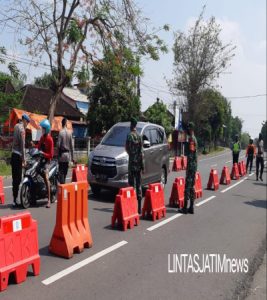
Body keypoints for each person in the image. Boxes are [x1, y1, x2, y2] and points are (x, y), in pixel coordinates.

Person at [32, 119, 54, 208]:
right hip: (41, 160)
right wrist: (33, 146)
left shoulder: (50, 139)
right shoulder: (42, 138)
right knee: (34, 173)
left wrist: (43, 154)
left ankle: (48, 200)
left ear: (47, 129)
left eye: (43, 129)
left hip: (47, 162)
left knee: (46, 177)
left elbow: (51, 154)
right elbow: (39, 146)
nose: (42, 130)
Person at [11, 113, 31, 207]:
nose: (27, 124)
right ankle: (15, 199)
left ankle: (14, 199)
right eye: (27, 122)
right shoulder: (22, 129)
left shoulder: (16, 126)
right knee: (18, 179)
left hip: (13, 154)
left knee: (14, 178)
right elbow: (22, 146)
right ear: (24, 120)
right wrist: (24, 159)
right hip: (18, 156)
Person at [125, 117, 144, 214]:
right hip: (139, 164)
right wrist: (142, 165)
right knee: (139, 185)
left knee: (131, 186)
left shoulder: (129, 136)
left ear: (131, 125)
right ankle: (139, 208)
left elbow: (126, 148)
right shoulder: (139, 136)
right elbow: (142, 151)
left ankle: (132, 206)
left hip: (132, 164)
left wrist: (132, 155)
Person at [179, 122, 198, 214]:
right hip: (194, 166)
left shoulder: (191, 139)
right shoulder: (195, 139)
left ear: (191, 129)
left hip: (191, 166)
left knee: (187, 186)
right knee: (192, 186)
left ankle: (185, 208)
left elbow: (190, 154)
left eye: (188, 129)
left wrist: (186, 160)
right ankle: (191, 207)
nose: (187, 130)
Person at [57, 118, 74, 184]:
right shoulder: (70, 133)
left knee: (61, 172)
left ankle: (62, 186)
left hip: (61, 155)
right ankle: (63, 185)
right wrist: (72, 158)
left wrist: (57, 155)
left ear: (62, 124)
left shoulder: (61, 132)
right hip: (67, 156)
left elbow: (58, 145)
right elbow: (72, 146)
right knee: (65, 172)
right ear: (66, 124)